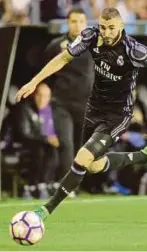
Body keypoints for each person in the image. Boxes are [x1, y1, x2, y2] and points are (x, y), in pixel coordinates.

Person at [15, 7, 147, 220]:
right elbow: (63, 58)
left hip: (118, 114)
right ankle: (143, 155)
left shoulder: (133, 50)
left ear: (121, 26)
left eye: (111, 28)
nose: (107, 32)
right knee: (93, 165)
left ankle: (46, 210)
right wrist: (34, 81)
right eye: (103, 27)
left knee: (82, 158)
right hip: (94, 108)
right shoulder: (90, 36)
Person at [44, 8, 94, 182]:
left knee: (84, 147)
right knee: (66, 144)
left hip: (85, 103)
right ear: (67, 23)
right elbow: (46, 72)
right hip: (62, 103)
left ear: (86, 24)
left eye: (81, 21)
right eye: (73, 21)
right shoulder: (56, 46)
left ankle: (88, 184)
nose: (77, 25)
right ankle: (67, 186)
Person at [17, 83, 59, 199]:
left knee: (53, 151)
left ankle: (45, 184)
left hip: (44, 144)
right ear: (34, 96)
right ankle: (33, 185)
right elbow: (24, 133)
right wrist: (46, 139)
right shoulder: (26, 109)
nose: (42, 99)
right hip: (29, 144)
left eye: (46, 96)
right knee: (39, 151)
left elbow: (48, 132)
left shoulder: (48, 111)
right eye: (39, 95)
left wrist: (52, 138)